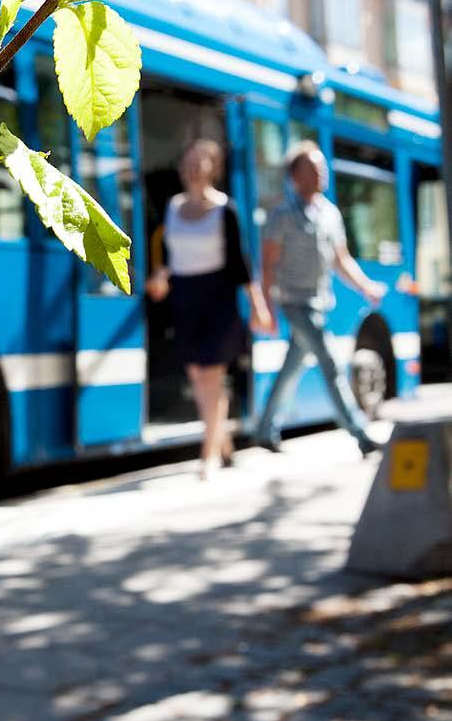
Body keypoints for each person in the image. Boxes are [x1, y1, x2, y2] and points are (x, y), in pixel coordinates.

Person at [146, 139, 272, 479]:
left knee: (210, 375)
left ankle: (208, 454)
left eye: (201, 162)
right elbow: (170, 258)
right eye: (188, 161)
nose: (193, 168)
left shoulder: (225, 210)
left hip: (218, 295)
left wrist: (258, 306)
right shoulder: (172, 207)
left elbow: (240, 263)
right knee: (196, 373)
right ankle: (222, 437)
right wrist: (161, 277)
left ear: (213, 168)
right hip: (184, 295)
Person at [256, 140, 387, 457]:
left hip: (319, 302)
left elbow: (341, 259)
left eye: (322, 167)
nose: (322, 172)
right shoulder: (282, 215)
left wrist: (365, 286)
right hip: (295, 304)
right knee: (330, 363)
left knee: (291, 368)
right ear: (295, 176)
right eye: (314, 168)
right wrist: (268, 308)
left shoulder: (330, 213)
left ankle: (263, 430)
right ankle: (360, 433)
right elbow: (268, 263)